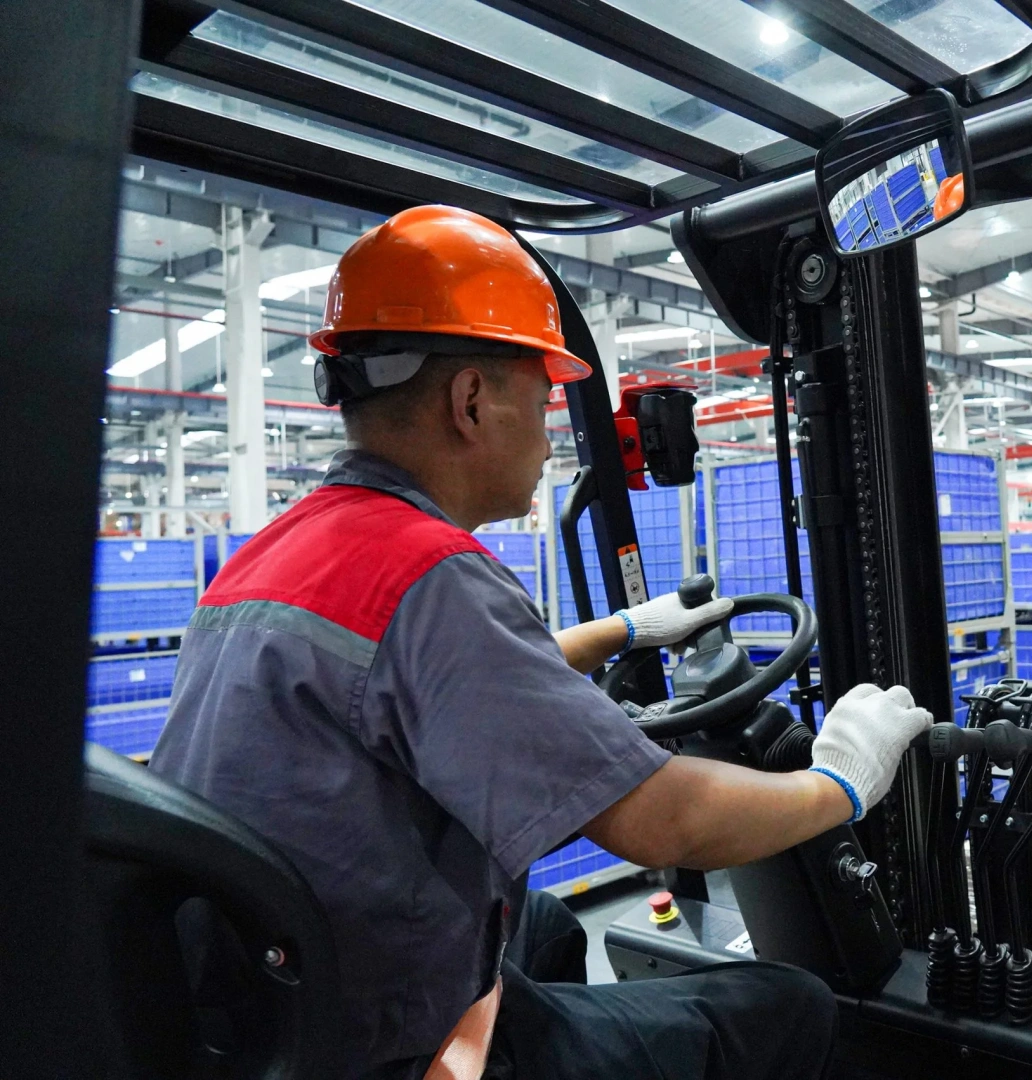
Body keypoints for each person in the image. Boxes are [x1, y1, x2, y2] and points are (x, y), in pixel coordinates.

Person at [149, 205, 933, 1080]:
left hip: (268, 1012)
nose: (550, 428)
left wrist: (626, 630)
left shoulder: (280, 553)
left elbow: (423, 692)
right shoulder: (429, 572)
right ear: (471, 403)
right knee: (789, 1008)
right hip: (380, 1049)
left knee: (549, 926)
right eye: (542, 398)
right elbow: (662, 820)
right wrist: (840, 784)